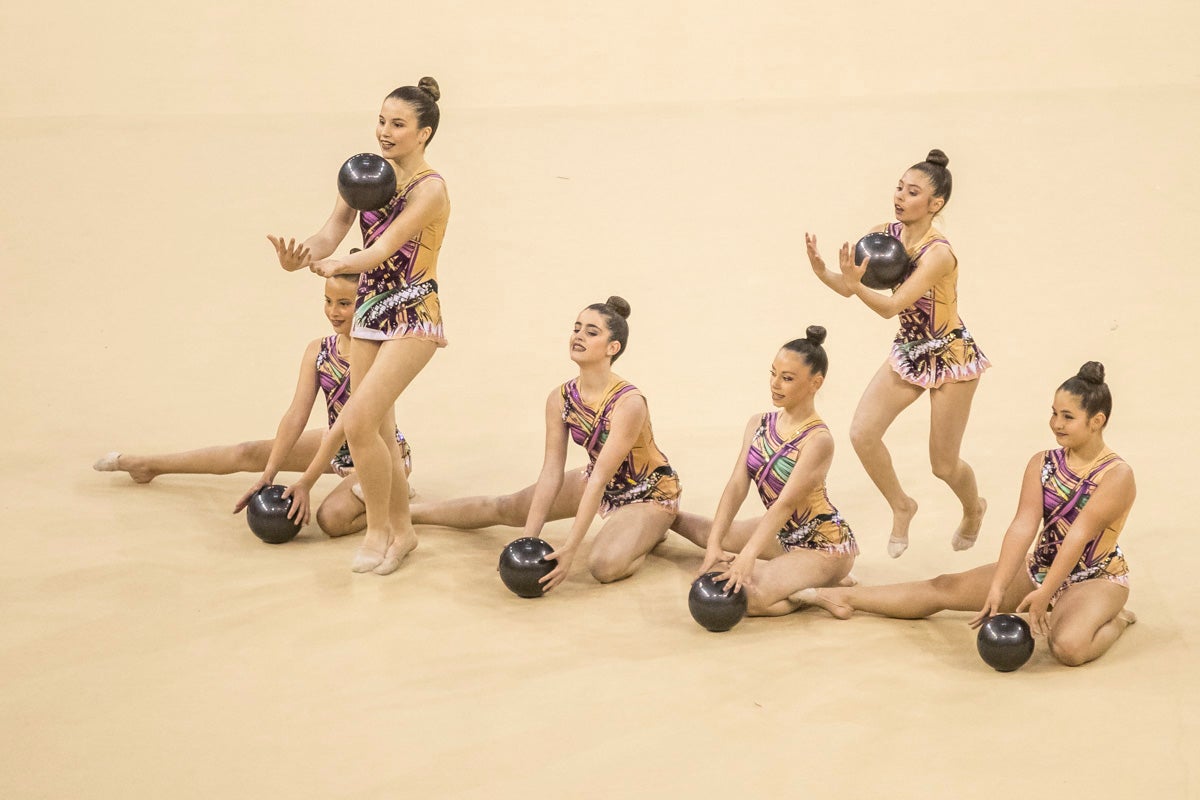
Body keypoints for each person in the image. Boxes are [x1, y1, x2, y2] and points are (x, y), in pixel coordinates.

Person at [800, 363, 1137, 667]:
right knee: (944, 586)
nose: (1056, 424)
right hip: (1043, 566)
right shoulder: (1043, 462)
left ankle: (1117, 618)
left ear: (1097, 421)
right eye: (1054, 413)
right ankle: (846, 596)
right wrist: (999, 586)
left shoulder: (1116, 475)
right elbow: (1022, 526)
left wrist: (1046, 593)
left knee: (1067, 647)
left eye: (1067, 417)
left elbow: (1078, 536)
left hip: (1095, 576)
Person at [266, 77, 450, 575]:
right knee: (380, 431)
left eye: (398, 124)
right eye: (381, 121)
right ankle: (403, 531)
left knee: (360, 418)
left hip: (413, 312)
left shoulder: (430, 189)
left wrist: (342, 266)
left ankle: (376, 532)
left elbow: (383, 248)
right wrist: (301, 257)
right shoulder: (363, 174)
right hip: (370, 313)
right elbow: (331, 232)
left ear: (424, 132)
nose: (385, 132)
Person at [92, 276, 412, 537]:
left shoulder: (377, 353)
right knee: (248, 452)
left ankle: (404, 508)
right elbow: (295, 415)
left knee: (332, 519)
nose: (333, 311)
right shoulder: (319, 350)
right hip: (340, 448)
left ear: (368, 304)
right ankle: (148, 465)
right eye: (328, 301)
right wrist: (268, 473)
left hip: (380, 456)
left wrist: (306, 482)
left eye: (344, 303)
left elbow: (347, 422)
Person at [410, 297, 681, 590]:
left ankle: (653, 529)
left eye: (592, 332)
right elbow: (552, 471)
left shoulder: (628, 403)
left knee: (603, 566)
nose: (578, 336)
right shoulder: (561, 398)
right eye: (576, 328)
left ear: (612, 348)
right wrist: (527, 538)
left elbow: (601, 478)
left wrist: (572, 548)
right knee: (507, 507)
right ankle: (407, 513)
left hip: (648, 492)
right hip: (598, 481)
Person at [806, 149, 990, 558]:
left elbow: (891, 305)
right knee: (862, 433)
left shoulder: (938, 253)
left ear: (935, 203)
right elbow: (855, 285)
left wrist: (853, 286)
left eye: (912, 192)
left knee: (943, 465)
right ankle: (902, 505)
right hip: (910, 351)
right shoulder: (883, 234)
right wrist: (826, 275)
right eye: (899, 188)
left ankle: (973, 508)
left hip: (951, 355)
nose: (900, 197)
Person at [671, 327, 857, 616]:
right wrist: (713, 546)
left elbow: (785, 504)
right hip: (783, 534)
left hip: (823, 546)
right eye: (773, 374)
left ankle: (816, 592)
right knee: (709, 535)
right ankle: (657, 512)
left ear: (815, 383)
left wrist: (748, 556)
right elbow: (736, 484)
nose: (775, 384)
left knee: (746, 597)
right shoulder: (759, 423)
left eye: (787, 378)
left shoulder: (817, 440)